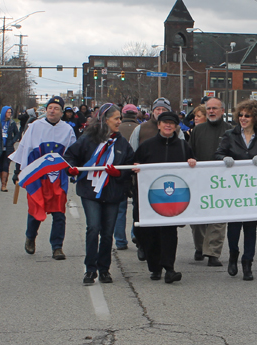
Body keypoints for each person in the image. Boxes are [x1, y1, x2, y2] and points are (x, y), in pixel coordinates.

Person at [64, 103, 134, 285]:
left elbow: (130, 164)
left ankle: (104, 269)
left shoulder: (121, 143)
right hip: (91, 191)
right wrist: (71, 169)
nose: (119, 121)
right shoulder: (88, 139)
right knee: (93, 227)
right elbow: (70, 157)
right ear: (105, 119)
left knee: (107, 232)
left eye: (120, 118)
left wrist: (119, 173)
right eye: (116, 118)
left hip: (112, 192)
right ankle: (90, 269)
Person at [132, 112, 197, 284]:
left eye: (172, 123)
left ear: (176, 127)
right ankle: (155, 267)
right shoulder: (147, 146)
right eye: (165, 123)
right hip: (150, 198)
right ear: (159, 125)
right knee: (149, 234)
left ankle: (169, 268)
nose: (168, 126)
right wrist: (136, 168)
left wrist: (192, 163)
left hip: (172, 199)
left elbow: (191, 169)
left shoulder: (183, 146)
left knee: (169, 233)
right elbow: (134, 164)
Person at [9, 96, 76, 260]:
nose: (52, 111)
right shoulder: (34, 127)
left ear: (62, 112)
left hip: (57, 178)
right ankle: (30, 237)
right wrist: (19, 171)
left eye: (56, 108)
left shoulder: (67, 130)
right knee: (35, 211)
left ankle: (57, 247)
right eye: (50, 107)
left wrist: (74, 171)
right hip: (37, 177)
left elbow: (73, 153)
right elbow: (24, 149)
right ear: (46, 110)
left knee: (59, 213)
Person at [214, 100, 257, 280]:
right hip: (234, 189)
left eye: (247, 115)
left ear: (255, 118)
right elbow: (218, 154)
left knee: (251, 229)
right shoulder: (230, 135)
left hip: (254, 191)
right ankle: (233, 256)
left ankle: (248, 263)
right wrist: (224, 159)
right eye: (241, 115)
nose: (243, 118)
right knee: (234, 227)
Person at [188, 97, 233, 266]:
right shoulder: (198, 131)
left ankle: (213, 253)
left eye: (215, 108)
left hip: (223, 182)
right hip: (200, 180)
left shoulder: (230, 131)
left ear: (222, 111)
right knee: (197, 219)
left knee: (218, 219)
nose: (212, 111)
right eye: (209, 109)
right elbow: (189, 152)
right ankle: (200, 247)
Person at [113, 103, 141, 250]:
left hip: (120, 172)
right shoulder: (140, 129)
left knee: (120, 208)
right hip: (137, 172)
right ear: (136, 114)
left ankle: (120, 240)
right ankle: (134, 233)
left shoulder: (117, 129)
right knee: (138, 207)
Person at [0, 106, 20, 192]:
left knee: (6, 166)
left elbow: (17, 134)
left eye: (11, 112)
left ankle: (4, 185)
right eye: (8, 112)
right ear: (4, 113)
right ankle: (2, 181)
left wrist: (12, 141)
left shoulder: (12, 123)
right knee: (1, 166)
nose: (10, 114)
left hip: (8, 148)